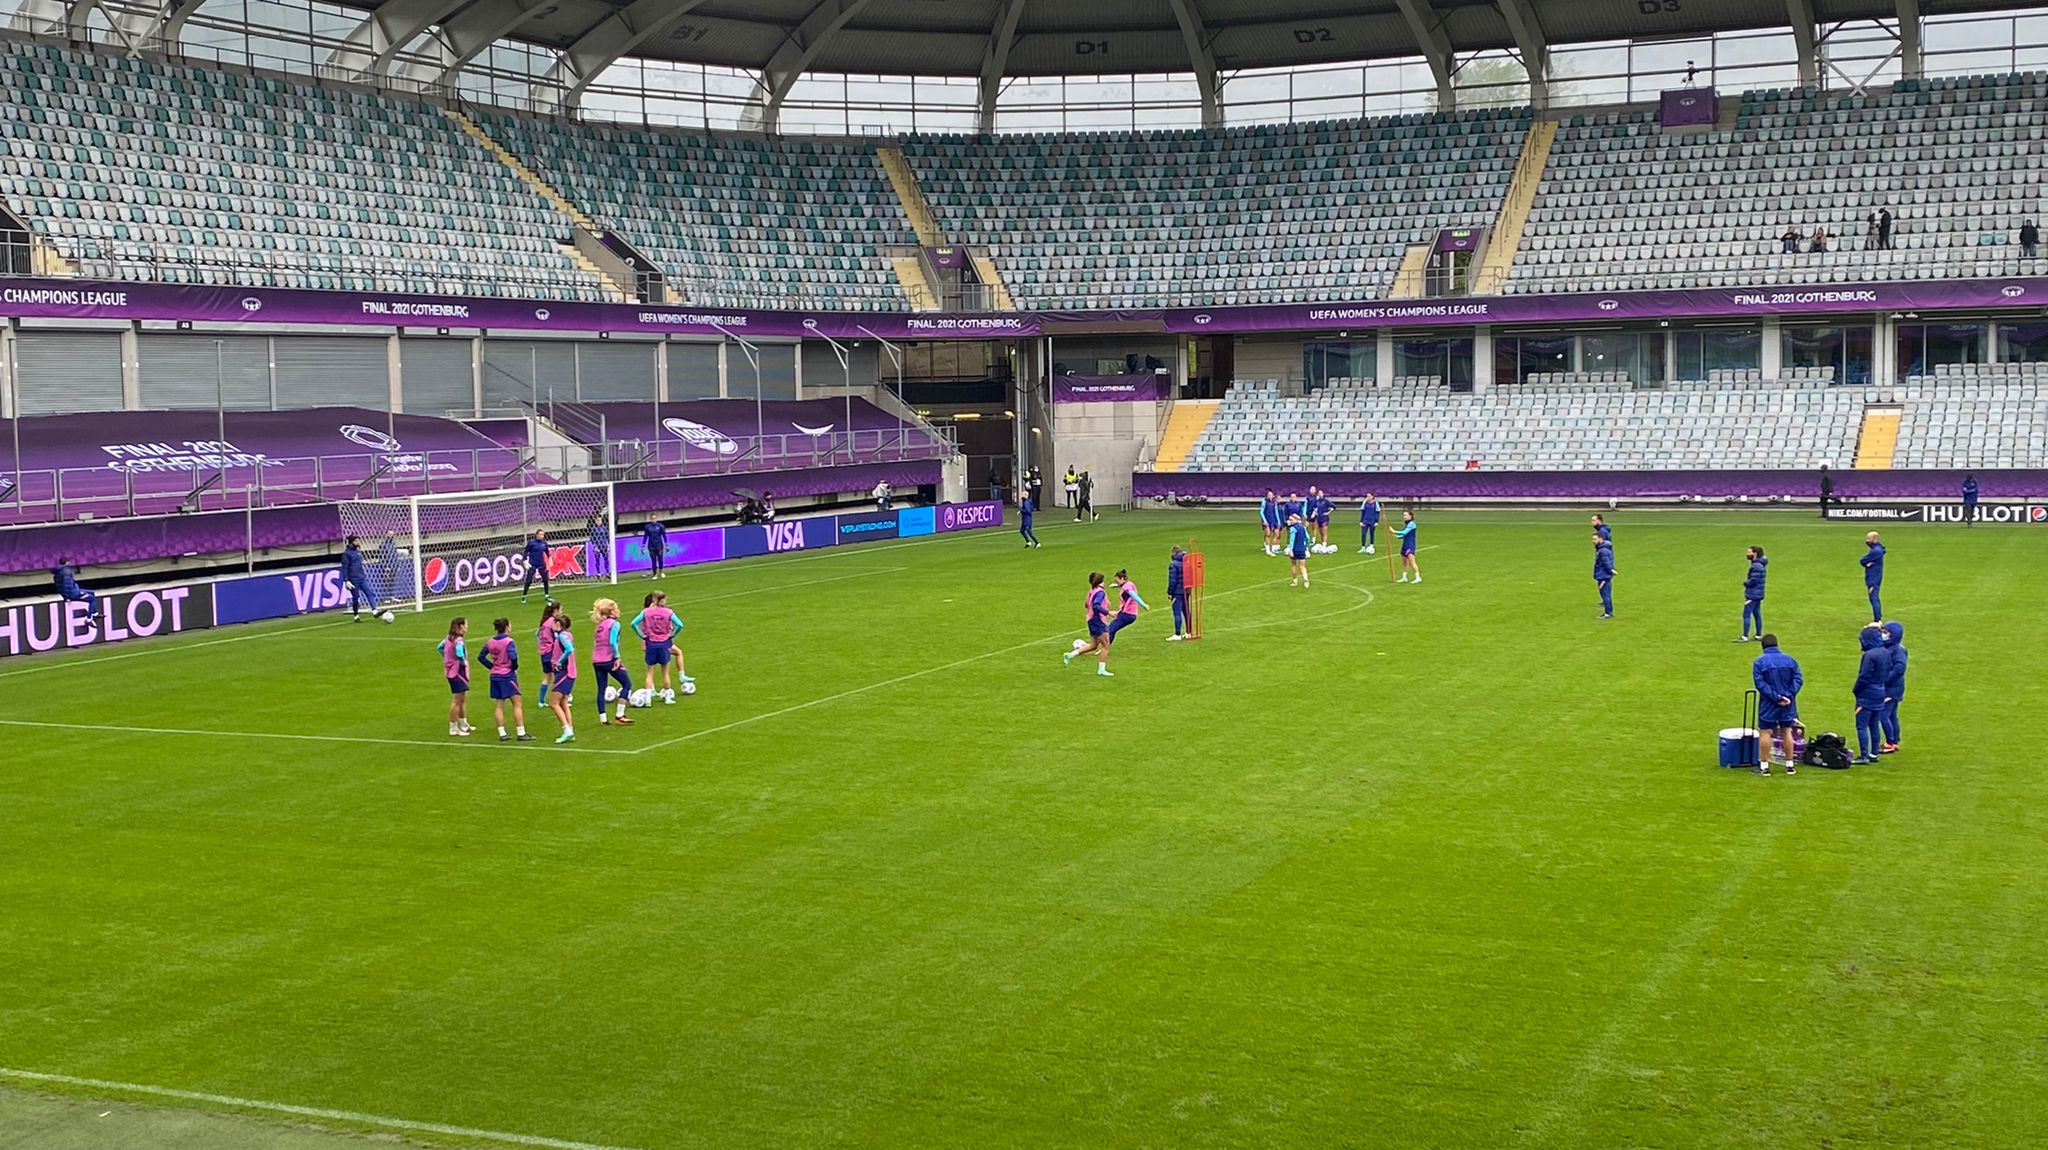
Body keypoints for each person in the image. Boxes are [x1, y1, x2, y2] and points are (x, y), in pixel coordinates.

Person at [1751, 634, 1803, 776]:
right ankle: (1790, 765)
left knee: (1765, 732)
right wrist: (1788, 695)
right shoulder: (1791, 660)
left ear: (1763, 646)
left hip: (1769, 703)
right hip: (1788, 703)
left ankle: (1764, 766)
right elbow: (1798, 679)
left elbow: (1760, 684)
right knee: (1787, 731)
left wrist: (1776, 697)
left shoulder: (1759, 662)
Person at [478, 617, 533, 742]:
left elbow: (481, 657)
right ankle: (521, 732)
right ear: (507, 627)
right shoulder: (509, 642)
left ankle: (502, 733)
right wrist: (514, 667)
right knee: (517, 703)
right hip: (507, 675)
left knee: (499, 704)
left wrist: (492, 666)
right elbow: (513, 657)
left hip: (495, 676)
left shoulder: (490, 641)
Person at [632, 591, 689, 703]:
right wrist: (672, 635)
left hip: (650, 643)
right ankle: (668, 698)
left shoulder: (646, 612)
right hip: (664, 643)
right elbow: (680, 625)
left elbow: (633, 623)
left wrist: (642, 636)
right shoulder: (668, 612)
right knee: (665, 672)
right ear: (661, 601)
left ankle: (648, 700)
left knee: (650, 672)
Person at [589, 599, 635, 728]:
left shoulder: (599, 625)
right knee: (627, 684)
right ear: (612, 611)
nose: (619, 611)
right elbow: (612, 642)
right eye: (617, 609)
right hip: (609, 660)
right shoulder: (614, 624)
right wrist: (617, 657)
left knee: (601, 689)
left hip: (596, 661)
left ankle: (603, 718)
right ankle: (620, 715)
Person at [1852, 622, 1893, 764]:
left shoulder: (1869, 655)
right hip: (1880, 691)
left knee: (1861, 725)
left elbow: (1864, 676)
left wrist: (1856, 690)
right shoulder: (1886, 652)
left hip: (1867, 694)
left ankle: (1864, 755)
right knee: (1874, 724)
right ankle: (1874, 753)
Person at [1062, 571, 1117, 678]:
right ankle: (1101, 670)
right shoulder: (1100, 592)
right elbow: (1096, 605)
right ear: (1102, 581)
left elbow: (1087, 605)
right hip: (1098, 621)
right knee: (1106, 645)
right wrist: (1108, 612)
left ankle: (1070, 655)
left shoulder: (1091, 591)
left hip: (1091, 620)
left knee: (1094, 645)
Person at [339, 536, 391, 623]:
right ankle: (356, 615)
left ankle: (375, 611)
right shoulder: (347, 554)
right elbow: (344, 568)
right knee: (356, 598)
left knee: (369, 592)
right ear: (351, 542)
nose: (358, 542)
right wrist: (346, 580)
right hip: (353, 579)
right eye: (356, 541)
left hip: (361, 578)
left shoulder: (358, 552)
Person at [439, 617, 473, 737]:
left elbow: (440, 647)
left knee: (462, 699)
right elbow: (459, 652)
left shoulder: (448, 638)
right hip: (457, 672)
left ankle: (463, 724)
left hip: (451, 671)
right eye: (466, 624)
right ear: (461, 626)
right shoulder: (458, 640)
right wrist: (463, 662)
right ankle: (453, 728)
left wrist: (447, 658)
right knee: (457, 700)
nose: (467, 627)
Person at [548, 617, 578, 745]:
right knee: (563, 702)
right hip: (569, 673)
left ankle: (566, 730)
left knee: (553, 703)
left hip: (564, 673)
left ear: (559, 624)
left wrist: (559, 661)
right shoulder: (565, 635)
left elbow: (569, 649)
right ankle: (570, 730)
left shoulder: (562, 637)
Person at [1880, 621, 1907, 754]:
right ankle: (1894, 740)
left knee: (1883, 715)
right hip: (1892, 687)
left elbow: (1899, 669)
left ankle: (1890, 742)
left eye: (1886, 632)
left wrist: (1884, 679)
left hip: (1891, 688)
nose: (1883, 635)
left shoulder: (1898, 650)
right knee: (1891, 715)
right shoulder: (1888, 647)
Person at [50, 556, 101, 623]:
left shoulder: (57, 572)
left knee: (91, 592)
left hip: (73, 591)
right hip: (74, 593)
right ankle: (89, 618)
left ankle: (94, 613)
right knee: (91, 599)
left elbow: (60, 587)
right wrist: (68, 597)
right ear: (67, 562)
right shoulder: (66, 572)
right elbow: (67, 586)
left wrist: (65, 596)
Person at [1107, 568, 1149, 643]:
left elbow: (1133, 594)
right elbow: (1125, 589)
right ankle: (1104, 648)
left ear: (1122, 579)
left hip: (1127, 614)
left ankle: (1104, 649)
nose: (1116, 582)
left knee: (1111, 629)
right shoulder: (1129, 583)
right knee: (1111, 629)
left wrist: (1143, 604)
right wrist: (1116, 586)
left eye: (1117, 581)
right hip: (1129, 614)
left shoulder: (1127, 587)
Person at [534, 602, 563, 706]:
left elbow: (536, 634)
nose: (561, 612)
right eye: (560, 610)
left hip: (544, 653)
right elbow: (558, 633)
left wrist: (540, 646)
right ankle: (559, 700)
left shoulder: (544, 622)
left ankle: (541, 701)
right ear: (555, 611)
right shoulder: (552, 621)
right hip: (552, 652)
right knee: (559, 675)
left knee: (547, 677)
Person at [1739, 546, 1767, 642]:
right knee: (1757, 613)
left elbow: (1754, 580)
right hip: (1758, 593)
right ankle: (1758, 635)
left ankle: (1745, 636)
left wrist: (1746, 583)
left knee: (1746, 614)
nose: (1747, 554)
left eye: (1749, 552)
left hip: (1753, 594)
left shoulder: (1756, 566)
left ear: (1755, 553)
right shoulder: (1760, 564)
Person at [520, 529, 553, 604]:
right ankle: (524, 596)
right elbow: (525, 552)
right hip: (532, 564)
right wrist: (525, 561)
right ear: (537, 535)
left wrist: (550, 559)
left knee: (545, 579)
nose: (542, 536)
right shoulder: (531, 543)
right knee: (529, 580)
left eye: (543, 535)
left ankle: (547, 595)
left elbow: (547, 553)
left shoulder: (544, 544)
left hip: (541, 564)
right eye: (540, 534)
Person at [1166, 545, 1191, 641]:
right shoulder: (1187, 563)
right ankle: (1189, 632)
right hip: (1186, 590)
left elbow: (1172, 580)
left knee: (1177, 612)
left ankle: (1177, 634)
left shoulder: (1174, 564)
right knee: (1186, 611)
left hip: (1177, 592)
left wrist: (1170, 592)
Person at [1860, 531, 1886, 622]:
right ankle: (1878, 618)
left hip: (1873, 578)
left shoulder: (1876, 551)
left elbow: (1862, 561)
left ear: (1875, 540)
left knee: (1873, 598)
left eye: (1869, 539)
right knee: (1874, 597)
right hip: (1874, 576)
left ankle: (1877, 619)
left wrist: (1866, 563)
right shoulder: (1878, 549)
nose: (1867, 541)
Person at [1592, 531, 1614, 618]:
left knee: (1605, 594)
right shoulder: (1602, 549)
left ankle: (1608, 613)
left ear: (1600, 539)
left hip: (1604, 576)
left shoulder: (1603, 550)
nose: (1593, 541)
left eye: (1595, 539)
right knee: (1605, 594)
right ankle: (1608, 612)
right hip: (1603, 575)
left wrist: (1610, 571)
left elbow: (1606, 563)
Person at [1394, 511, 1421, 583]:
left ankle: (1418, 577)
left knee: (1412, 562)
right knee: (1404, 562)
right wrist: (1399, 537)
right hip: (1405, 544)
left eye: (1406, 515)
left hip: (1410, 545)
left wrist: (1394, 531)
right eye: (1403, 515)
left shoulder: (1412, 524)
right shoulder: (1407, 524)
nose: (1404, 516)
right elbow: (1405, 535)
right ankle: (1404, 577)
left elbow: (1405, 532)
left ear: (1410, 516)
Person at [1286, 514, 1312, 587]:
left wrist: (1290, 550)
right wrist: (1307, 546)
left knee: (1294, 565)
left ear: (1296, 520)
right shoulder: (1303, 527)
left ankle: (1295, 581)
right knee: (1302, 566)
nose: (1290, 521)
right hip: (1302, 549)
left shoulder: (1293, 528)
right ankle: (1306, 579)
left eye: (1291, 520)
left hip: (1295, 549)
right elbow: (1307, 537)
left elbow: (1292, 540)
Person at [588, 511, 612, 579]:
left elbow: (607, 537)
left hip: (604, 546)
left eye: (600, 520)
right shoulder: (593, 529)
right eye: (597, 520)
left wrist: (608, 545)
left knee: (606, 559)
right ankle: (598, 573)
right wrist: (595, 546)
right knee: (597, 560)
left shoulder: (604, 528)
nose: (599, 522)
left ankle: (607, 573)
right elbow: (592, 538)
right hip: (597, 547)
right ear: (595, 521)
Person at [1309, 486, 1333, 553]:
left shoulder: (1326, 501)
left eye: (1321, 493)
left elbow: (1332, 507)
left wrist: (1328, 512)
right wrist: (1314, 513)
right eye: (1319, 493)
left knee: (1324, 531)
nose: (1320, 494)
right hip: (1319, 518)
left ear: (1323, 494)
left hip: (1325, 518)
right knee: (1320, 532)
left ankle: (1324, 545)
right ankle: (1323, 544)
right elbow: (1314, 508)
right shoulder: (1317, 501)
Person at [1260, 488, 1282, 555]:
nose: (1270, 496)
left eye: (1271, 495)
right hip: (1267, 520)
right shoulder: (1264, 501)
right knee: (1268, 534)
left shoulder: (1274, 502)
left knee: (1276, 534)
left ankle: (1272, 548)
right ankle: (1268, 550)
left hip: (1273, 520)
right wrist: (1264, 520)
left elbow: (1276, 512)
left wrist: (1278, 521)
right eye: (1269, 495)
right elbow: (1261, 512)